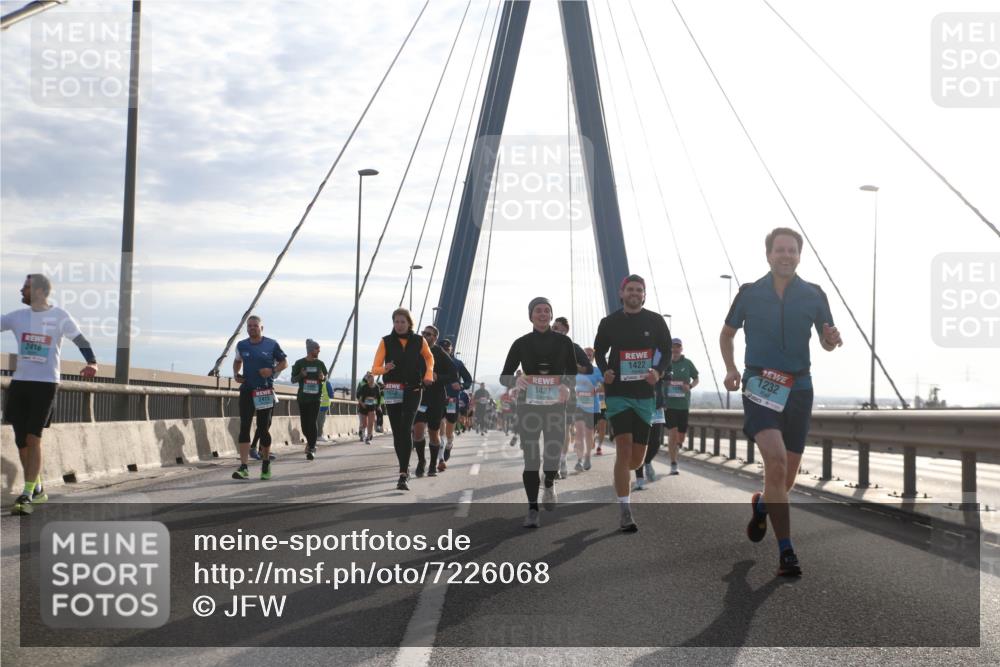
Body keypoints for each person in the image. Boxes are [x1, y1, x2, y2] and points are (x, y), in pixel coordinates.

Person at [721, 227, 842, 577]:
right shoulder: (749, 293)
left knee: (785, 478)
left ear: (799, 256)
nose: (786, 255)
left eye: (792, 250)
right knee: (775, 463)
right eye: (780, 250)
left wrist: (831, 339)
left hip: (799, 389)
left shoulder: (814, 294)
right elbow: (727, 334)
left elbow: (827, 341)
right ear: (768, 254)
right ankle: (786, 551)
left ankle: (762, 505)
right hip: (759, 385)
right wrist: (731, 368)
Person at [2, 274, 99, 515]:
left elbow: (80, 339)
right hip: (20, 383)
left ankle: (26, 494)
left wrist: (92, 362)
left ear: (39, 291)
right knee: (21, 442)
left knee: (34, 438)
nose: (21, 290)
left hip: (45, 385)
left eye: (25, 287)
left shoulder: (59, 316)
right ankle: (37, 488)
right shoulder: (17, 317)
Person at [593, 274, 672, 532]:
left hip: (644, 395)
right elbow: (599, 350)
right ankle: (625, 510)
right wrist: (605, 371)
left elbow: (667, 351)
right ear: (621, 293)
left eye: (639, 290)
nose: (634, 293)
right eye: (630, 289)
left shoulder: (655, 321)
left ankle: (622, 477)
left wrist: (658, 372)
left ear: (644, 294)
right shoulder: (609, 322)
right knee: (623, 449)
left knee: (636, 459)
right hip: (618, 393)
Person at [500, 296, 577, 529]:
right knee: (531, 458)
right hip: (529, 407)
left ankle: (550, 483)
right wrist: (516, 381)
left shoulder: (564, 343)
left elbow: (572, 373)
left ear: (551, 315)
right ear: (531, 316)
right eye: (538, 311)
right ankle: (532, 509)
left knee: (553, 453)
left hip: (555, 407)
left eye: (546, 311)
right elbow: (504, 376)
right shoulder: (521, 343)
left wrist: (566, 385)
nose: (543, 314)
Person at [371, 308, 434, 491]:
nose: (399, 325)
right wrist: (385, 368)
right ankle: (404, 468)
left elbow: (429, 358)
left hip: (413, 389)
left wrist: (428, 374)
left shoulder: (419, 340)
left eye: (402, 322)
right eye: (396, 322)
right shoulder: (386, 341)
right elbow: (375, 368)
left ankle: (403, 474)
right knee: (398, 432)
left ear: (409, 323)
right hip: (392, 389)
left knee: (406, 428)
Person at [232, 315, 288, 481]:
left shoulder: (271, 344)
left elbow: (284, 363)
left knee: (263, 428)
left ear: (261, 328)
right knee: (244, 427)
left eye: (255, 326)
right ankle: (243, 467)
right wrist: (236, 374)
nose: (252, 328)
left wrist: (272, 370)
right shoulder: (241, 345)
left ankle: (265, 463)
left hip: (264, 391)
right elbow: (237, 361)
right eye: (249, 326)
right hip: (247, 390)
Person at [412, 325, 457, 476]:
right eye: (423, 333)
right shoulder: (416, 350)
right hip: (420, 397)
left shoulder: (440, 353)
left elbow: (453, 374)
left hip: (436, 399)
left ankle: (432, 464)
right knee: (417, 431)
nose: (425, 336)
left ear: (435, 337)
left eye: (429, 334)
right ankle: (421, 461)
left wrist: (439, 377)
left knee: (433, 433)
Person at [551, 316, 593, 478]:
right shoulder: (544, 346)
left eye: (556, 328)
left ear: (565, 330)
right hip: (547, 392)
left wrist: (572, 365)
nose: (553, 330)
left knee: (564, 428)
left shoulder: (574, 348)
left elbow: (588, 368)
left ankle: (561, 461)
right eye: (552, 327)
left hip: (568, 392)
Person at [664, 338, 699, 475]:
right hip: (669, 405)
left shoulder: (687, 363)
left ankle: (677, 447)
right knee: (672, 432)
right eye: (673, 346)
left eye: (678, 347)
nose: (675, 349)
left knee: (681, 436)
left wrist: (689, 386)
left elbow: (696, 378)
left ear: (681, 349)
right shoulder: (665, 363)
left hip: (683, 405)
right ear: (670, 348)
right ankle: (673, 463)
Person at [291, 339, 328, 460]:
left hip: (316, 398)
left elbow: (325, 377)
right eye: (317, 349)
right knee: (304, 425)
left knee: (312, 422)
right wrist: (301, 375)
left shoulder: (320, 364)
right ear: (311, 350)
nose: (319, 351)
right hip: (303, 398)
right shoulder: (299, 363)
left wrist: (322, 377)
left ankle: (312, 448)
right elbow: (293, 380)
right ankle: (310, 442)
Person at [439, 338, 472, 464]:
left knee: (449, 432)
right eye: (442, 349)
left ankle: (449, 444)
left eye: (447, 349)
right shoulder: (433, 361)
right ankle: (440, 459)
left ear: (451, 349)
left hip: (452, 400)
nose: (445, 351)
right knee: (439, 429)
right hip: (437, 398)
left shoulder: (457, 363)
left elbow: (468, 380)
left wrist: (462, 386)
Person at [573, 356, 603, 472]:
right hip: (578, 405)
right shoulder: (575, 370)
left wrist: (597, 389)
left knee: (589, 434)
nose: (588, 356)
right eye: (586, 354)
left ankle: (588, 457)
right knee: (579, 432)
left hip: (592, 407)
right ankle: (579, 460)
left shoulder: (596, 370)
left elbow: (604, 385)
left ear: (593, 358)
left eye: (590, 355)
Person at [357, 373, 381, 443]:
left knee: (371, 423)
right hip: (363, 406)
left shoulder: (376, 387)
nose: (371, 381)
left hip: (372, 406)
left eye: (373, 380)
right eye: (370, 380)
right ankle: (362, 433)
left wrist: (378, 406)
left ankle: (368, 437)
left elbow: (379, 397)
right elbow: (360, 398)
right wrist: (362, 404)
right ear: (367, 380)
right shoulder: (364, 387)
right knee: (364, 424)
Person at [316, 377, 334, 442]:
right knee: (321, 421)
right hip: (323, 406)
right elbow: (331, 395)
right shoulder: (327, 383)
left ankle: (315, 436)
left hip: (314, 405)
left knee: (315, 421)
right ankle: (319, 436)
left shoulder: (315, 382)